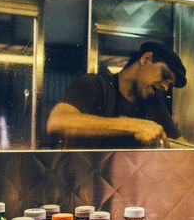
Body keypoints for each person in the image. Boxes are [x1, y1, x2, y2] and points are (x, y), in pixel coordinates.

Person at [47, 41, 186, 148]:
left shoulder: (153, 103)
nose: (165, 87)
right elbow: (57, 122)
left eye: (169, 84)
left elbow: (180, 144)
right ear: (146, 59)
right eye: (165, 75)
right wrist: (133, 126)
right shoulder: (95, 85)